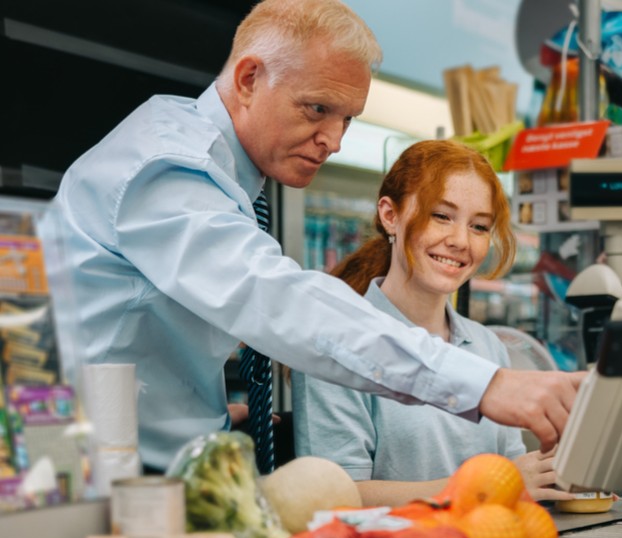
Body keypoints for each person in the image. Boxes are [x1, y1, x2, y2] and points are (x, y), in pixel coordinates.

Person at [46, 0, 583, 472]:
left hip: (167, 468)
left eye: (348, 119)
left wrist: (205, 410)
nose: (333, 141)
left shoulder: (227, 176)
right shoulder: (166, 167)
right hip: (99, 483)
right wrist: (484, 385)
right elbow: (277, 301)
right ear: (250, 79)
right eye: (318, 109)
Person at [292, 140, 575, 506]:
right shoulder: (333, 344)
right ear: (389, 215)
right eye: (441, 216)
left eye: (479, 226)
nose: (460, 241)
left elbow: (514, 476)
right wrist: (485, 484)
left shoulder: (487, 346)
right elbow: (334, 497)